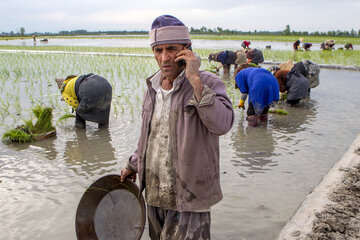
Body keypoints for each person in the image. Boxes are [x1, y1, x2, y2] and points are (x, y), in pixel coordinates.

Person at [120, 15, 234, 240]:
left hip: (190, 197)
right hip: (154, 192)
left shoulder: (207, 82)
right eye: (157, 50)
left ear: (187, 49)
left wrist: (194, 79)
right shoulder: (152, 87)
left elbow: (223, 124)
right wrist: (133, 164)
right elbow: (151, 135)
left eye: (171, 49)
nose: (164, 58)